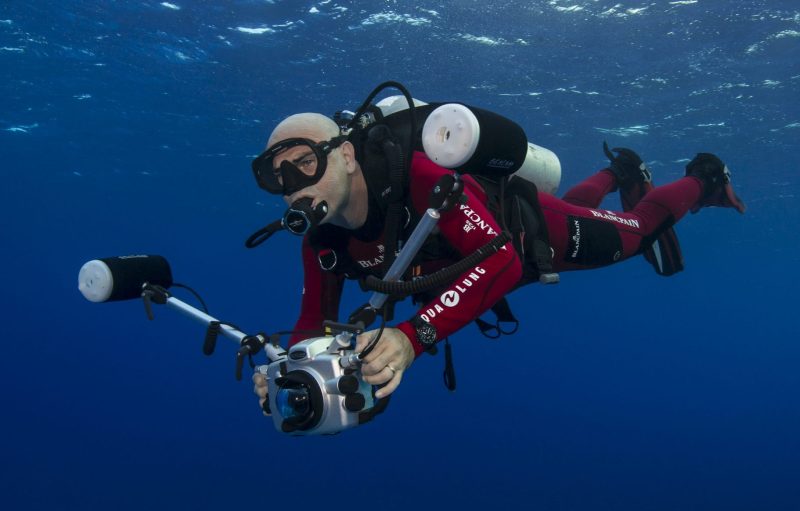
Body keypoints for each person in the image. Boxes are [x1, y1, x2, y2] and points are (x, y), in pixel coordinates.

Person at [250, 110, 745, 410]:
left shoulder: (420, 178)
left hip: (526, 232)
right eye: (277, 177)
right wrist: (290, 370)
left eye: (304, 161)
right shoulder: (321, 243)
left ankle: (705, 176)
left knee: (634, 234)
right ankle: (618, 171)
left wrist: (411, 337)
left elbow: (504, 264)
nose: (293, 185)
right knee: (581, 206)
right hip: (477, 267)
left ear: (347, 156)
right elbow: (312, 322)